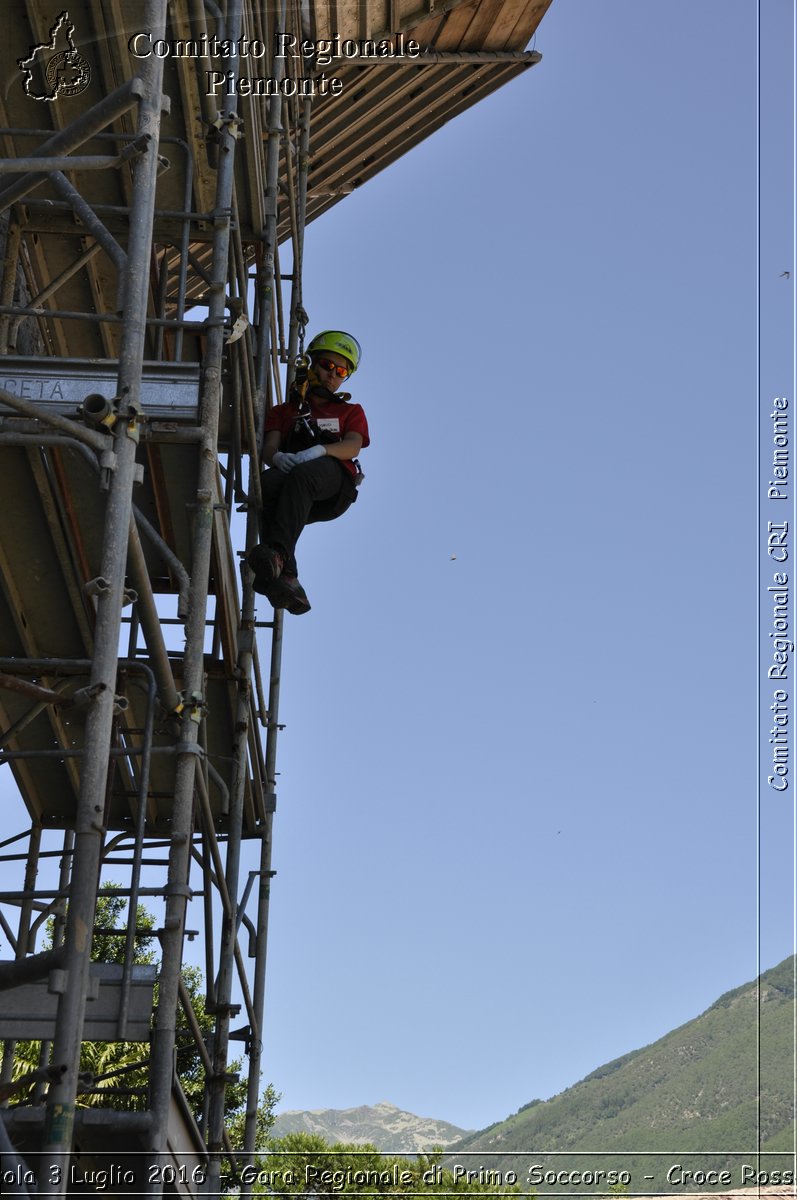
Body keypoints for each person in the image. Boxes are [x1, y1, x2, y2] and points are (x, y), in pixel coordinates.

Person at [246, 330, 369, 615]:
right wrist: (276, 458)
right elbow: (269, 448)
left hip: (333, 485)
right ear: (311, 364)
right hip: (296, 488)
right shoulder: (284, 411)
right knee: (267, 484)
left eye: (340, 372)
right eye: (327, 366)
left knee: (304, 475)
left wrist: (322, 451)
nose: (332, 376)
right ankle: (286, 577)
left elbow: (353, 445)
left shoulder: (350, 411)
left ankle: (277, 557)